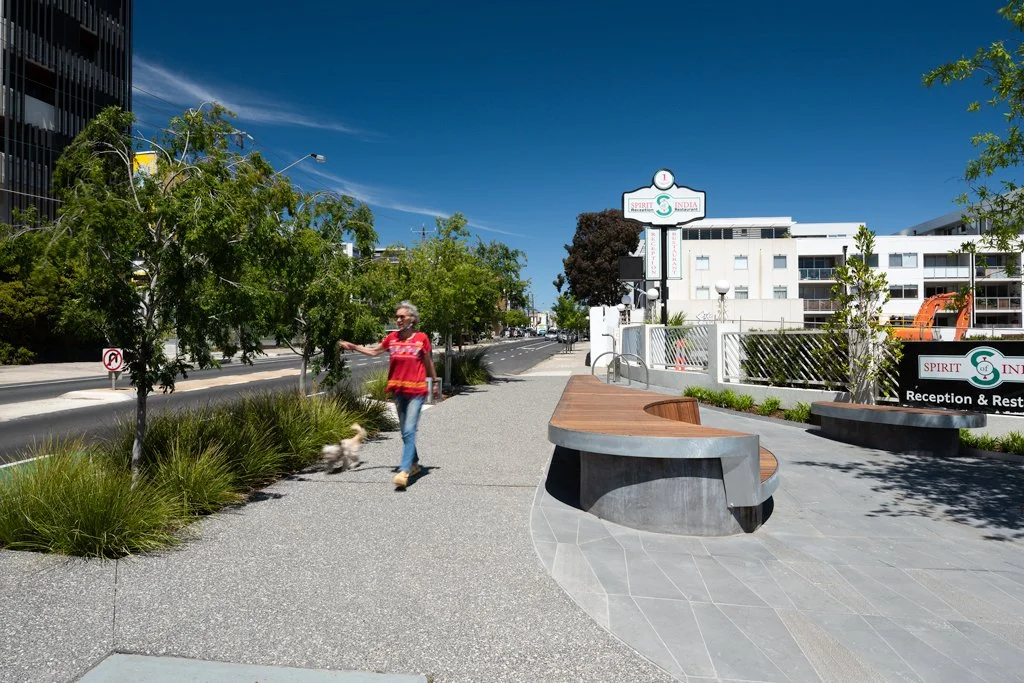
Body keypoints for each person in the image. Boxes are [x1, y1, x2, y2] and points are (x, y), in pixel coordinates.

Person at [338, 301, 439, 489]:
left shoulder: (421, 338)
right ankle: (415, 462)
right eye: (397, 316)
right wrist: (353, 346)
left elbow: (428, 361)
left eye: (402, 316)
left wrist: (434, 382)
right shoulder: (392, 338)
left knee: (409, 430)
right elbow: (374, 351)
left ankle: (405, 470)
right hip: (398, 391)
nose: (399, 319)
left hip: (416, 391)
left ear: (412, 319)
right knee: (405, 432)